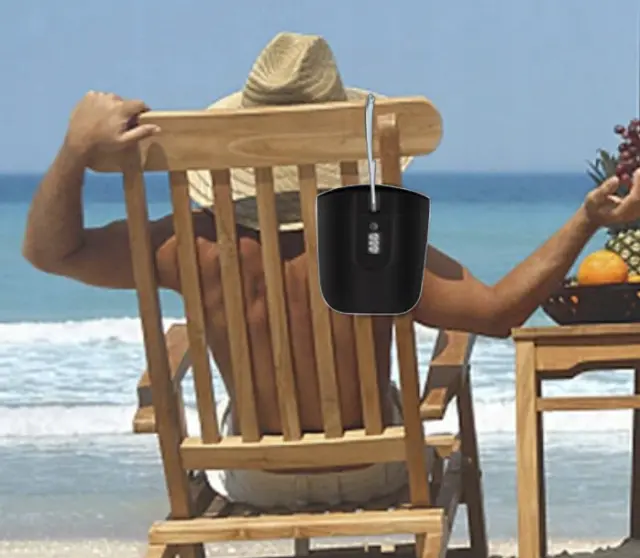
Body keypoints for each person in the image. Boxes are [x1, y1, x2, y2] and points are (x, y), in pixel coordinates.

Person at [22, 32, 640, 510]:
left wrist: (74, 151)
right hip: (376, 467)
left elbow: (53, 252)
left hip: (252, 476)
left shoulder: (189, 241)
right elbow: (501, 312)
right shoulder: (376, 241)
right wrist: (587, 219)